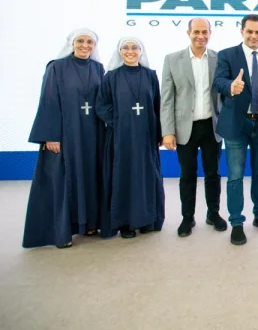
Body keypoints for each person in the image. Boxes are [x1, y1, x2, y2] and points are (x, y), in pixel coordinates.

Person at [23, 29, 105, 249]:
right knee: (64, 181)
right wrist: (50, 135)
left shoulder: (98, 68)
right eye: (80, 41)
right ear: (71, 43)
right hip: (66, 135)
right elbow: (48, 100)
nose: (85, 45)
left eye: (90, 42)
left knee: (90, 177)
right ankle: (62, 231)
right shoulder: (56, 67)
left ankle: (89, 224)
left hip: (92, 134)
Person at [213, 14, 258, 246]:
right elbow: (218, 81)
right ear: (242, 32)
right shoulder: (227, 55)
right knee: (235, 175)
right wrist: (231, 86)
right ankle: (237, 223)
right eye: (249, 31)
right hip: (237, 124)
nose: (254, 36)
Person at [160, 18, 227, 238]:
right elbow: (167, 99)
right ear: (188, 33)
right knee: (187, 175)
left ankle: (213, 214)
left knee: (213, 173)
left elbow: (225, 94)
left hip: (212, 126)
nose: (201, 36)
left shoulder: (219, 59)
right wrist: (167, 131)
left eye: (204, 32)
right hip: (184, 128)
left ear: (210, 33)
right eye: (196, 32)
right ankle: (187, 218)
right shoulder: (172, 60)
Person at [97, 37, 165, 238]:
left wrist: (160, 132)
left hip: (146, 136)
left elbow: (157, 105)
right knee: (124, 176)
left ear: (141, 51)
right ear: (119, 52)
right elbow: (102, 105)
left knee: (146, 176)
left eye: (135, 47)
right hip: (121, 137)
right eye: (125, 48)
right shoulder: (111, 77)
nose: (130, 51)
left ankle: (147, 220)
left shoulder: (150, 75)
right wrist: (120, 122)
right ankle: (125, 223)